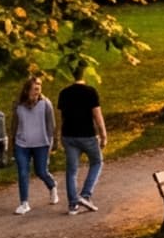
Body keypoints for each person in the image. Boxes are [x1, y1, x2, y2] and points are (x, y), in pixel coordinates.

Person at [56, 64, 106, 214]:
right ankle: (85, 195)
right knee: (97, 162)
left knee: (71, 170)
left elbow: (61, 117)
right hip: (87, 135)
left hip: (69, 136)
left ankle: (73, 204)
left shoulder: (64, 93)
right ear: (83, 74)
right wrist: (103, 134)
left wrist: (59, 136)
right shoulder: (90, 92)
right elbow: (97, 115)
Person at [11, 76, 59, 215]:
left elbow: (51, 126)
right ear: (26, 90)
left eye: (38, 91)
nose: (36, 94)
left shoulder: (45, 104)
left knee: (41, 171)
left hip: (41, 143)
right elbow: (14, 125)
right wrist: (12, 142)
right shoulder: (18, 105)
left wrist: (52, 144)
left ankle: (52, 186)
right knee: (23, 172)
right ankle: (24, 203)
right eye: (34, 91)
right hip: (22, 143)